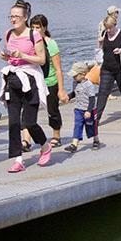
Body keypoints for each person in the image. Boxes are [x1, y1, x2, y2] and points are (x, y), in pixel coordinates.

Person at [0, 0, 53, 173]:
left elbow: (41, 59)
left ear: (25, 18)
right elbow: (12, 58)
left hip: (30, 79)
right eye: (11, 16)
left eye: (16, 16)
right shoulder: (8, 34)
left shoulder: (34, 35)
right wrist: (7, 57)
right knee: (14, 122)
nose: (13, 19)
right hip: (13, 78)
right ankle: (18, 159)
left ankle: (45, 145)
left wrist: (22, 54)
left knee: (29, 122)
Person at [30, 14, 70, 150]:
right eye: (33, 27)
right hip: (34, 80)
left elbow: (58, 69)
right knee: (29, 110)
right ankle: (26, 140)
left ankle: (56, 135)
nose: (36, 31)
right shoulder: (30, 43)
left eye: (38, 27)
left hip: (50, 81)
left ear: (44, 28)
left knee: (52, 110)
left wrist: (61, 89)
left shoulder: (51, 44)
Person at [96, 14, 121, 124]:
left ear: (115, 25)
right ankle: (97, 118)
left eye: (110, 27)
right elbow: (99, 50)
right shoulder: (104, 34)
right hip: (107, 68)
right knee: (102, 92)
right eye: (107, 28)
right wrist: (100, 42)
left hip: (120, 68)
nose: (109, 30)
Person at [64, 61, 100, 153]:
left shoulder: (89, 85)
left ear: (83, 74)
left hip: (89, 109)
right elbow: (74, 93)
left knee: (91, 125)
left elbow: (92, 99)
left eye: (75, 75)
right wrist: (68, 96)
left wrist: (89, 111)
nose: (73, 77)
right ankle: (74, 144)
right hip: (78, 109)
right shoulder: (75, 83)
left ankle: (96, 139)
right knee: (78, 125)